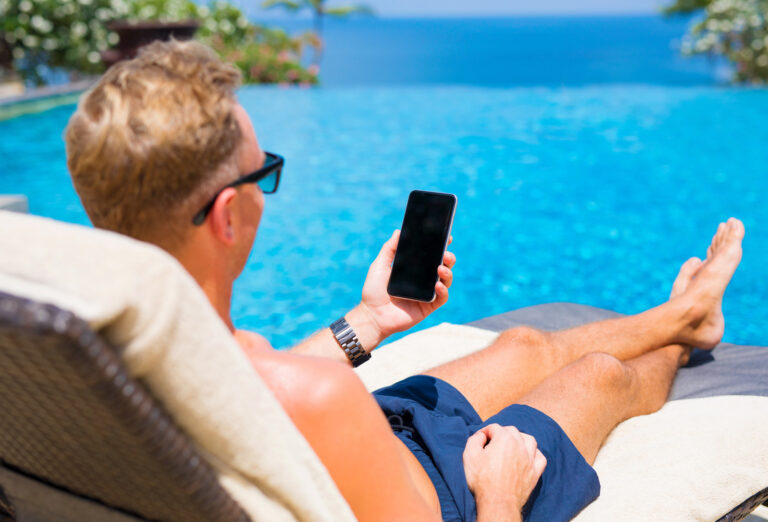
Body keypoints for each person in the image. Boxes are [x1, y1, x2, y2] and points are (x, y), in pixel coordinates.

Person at [64, 40, 745, 522]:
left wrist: (371, 320)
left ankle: (684, 312)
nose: (264, 192)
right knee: (598, 372)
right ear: (226, 214)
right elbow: (289, 398)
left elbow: (249, 388)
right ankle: (685, 332)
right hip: (444, 496)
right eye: (261, 171)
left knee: (524, 348)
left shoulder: (83, 355)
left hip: (365, 455)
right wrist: (500, 491)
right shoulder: (321, 399)